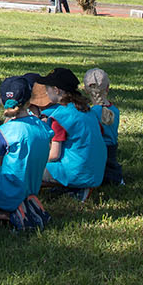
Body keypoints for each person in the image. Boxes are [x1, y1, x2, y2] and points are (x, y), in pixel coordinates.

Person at [0, 75, 55, 230]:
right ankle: (29, 204)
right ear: (29, 100)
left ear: (3, 102)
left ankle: (9, 215)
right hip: (32, 186)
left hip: (9, 190)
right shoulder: (43, 127)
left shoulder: (3, 132)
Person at [36, 68, 107, 199]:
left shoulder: (61, 117)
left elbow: (54, 155)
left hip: (78, 172)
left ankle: (75, 188)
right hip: (97, 171)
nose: (46, 91)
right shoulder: (88, 111)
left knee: (30, 170)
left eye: (47, 88)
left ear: (57, 90)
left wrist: (36, 160)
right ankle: (73, 187)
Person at [84, 68, 123, 186]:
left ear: (86, 90)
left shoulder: (90, 113)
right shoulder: (115, 111)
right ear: (107, 88)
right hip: (112, 149)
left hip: (97, 151)